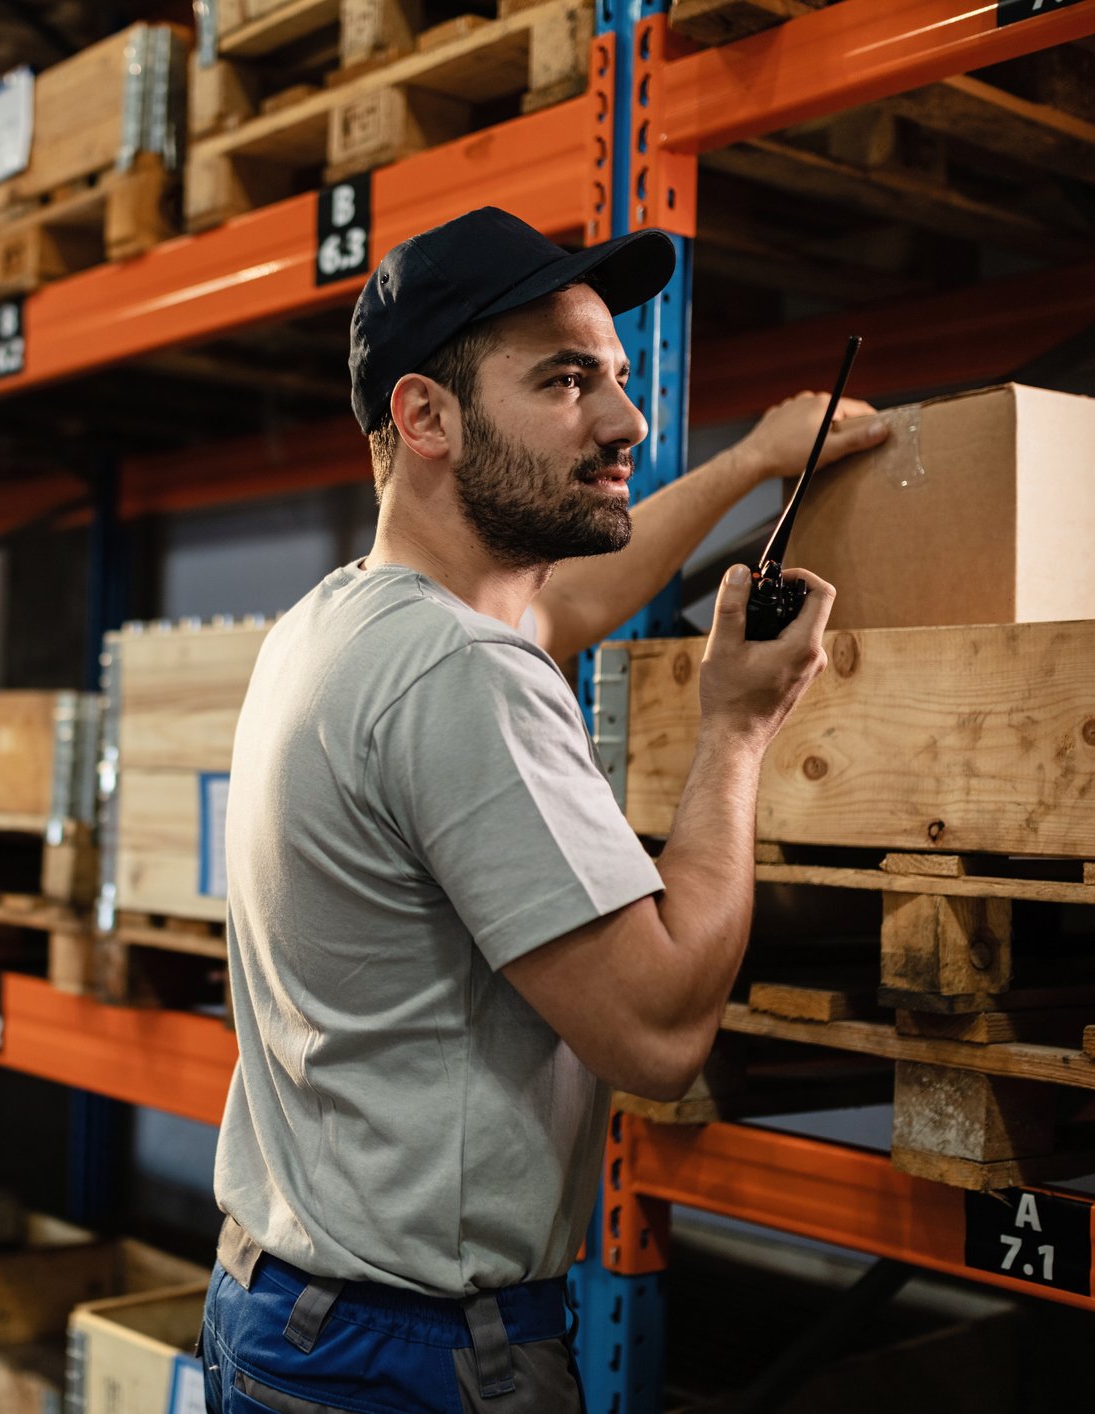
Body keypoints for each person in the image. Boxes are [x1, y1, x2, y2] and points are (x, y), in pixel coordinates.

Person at [198, 207, 889, 1413]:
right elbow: (661, 1034)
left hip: (291, 1311)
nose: (625, 419)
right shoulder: (458, 675)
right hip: (411, 1359)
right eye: (567, 383)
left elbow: (561, 610)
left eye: (616, 377)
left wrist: (749, 467)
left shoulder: (340, 623)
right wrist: (735, 729)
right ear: (426, 416)